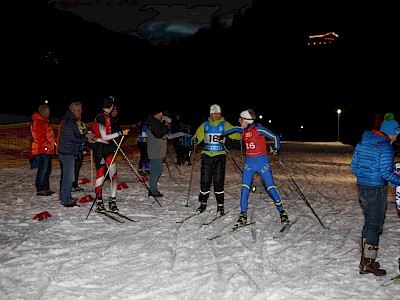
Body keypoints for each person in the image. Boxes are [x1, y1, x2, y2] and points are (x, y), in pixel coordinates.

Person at [219, 109, 290, 228]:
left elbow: (275, 137)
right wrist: (223, 135)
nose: (239, 121)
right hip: (249, 163)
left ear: (246, 120)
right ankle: (243, 215)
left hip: (262, 163)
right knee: (245, 188)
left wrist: (276, 149)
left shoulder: (259, 128)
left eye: (241, 119)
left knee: (271, 188)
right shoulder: (244, 130)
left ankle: (282, 213)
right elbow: (235, 129)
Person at [350, 117, 400, 276]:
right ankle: (369, 263)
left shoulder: (363, 142)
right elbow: (386, 173)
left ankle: (365, 259)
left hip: (363, 187)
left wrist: (365, 177)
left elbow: (353, 167)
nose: (396, 138)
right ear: (391, 133)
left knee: (369, 221)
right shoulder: (385, 147)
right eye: (396, 135)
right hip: (376, 189)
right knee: (375, 224)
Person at [191, 104, 241, 216]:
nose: (216, 115)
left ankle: (220, 205)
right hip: (207, 156)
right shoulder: (205, 125)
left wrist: (242, 133)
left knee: (218, 181)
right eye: (214, 113)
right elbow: (197, 136)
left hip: (219, 156)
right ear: (210, 114)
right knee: (205, 180)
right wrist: (194, 140)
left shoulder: (225, 124)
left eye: (218, 113)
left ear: (220, 113)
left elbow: (236, 134)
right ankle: (203, 203)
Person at [90, 96, 130, 213]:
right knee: (101, 176)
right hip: (100, 150)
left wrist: (118, 134)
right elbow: (104, 136)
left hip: (108, 149)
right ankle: (99, 202)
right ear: (110, 106)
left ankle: (112, 201)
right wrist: (120, 133)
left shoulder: (107, 117)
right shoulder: (101, 117)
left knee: (113, 175)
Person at [58, 102, 96, 207]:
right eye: (79, 110)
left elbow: (75, 135)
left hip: (68, 151)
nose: (81, 112)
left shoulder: (71, 121)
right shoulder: (70, 122)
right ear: (73, 111)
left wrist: (85, 135)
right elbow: (73, 138)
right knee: (69, 177)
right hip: (67, 152)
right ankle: (66, 200)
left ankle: (65, 197)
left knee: (68, 176)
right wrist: (87, 139)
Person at [30, 103, 56, 196]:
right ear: (42, 112)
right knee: (43, 169)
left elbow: (49, 137)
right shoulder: (39, 122)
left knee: (47, 169)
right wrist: (47, 146)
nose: (48, 112)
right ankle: (40, 188)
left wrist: (52, 146)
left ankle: (45, 187)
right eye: (46, 111)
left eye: (48, 110)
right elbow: (40, 137)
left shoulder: (44, 121)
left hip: (46, 149)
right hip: (41, 150)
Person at [147, 109, 171, 197]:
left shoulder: (155, 122)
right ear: (155, 115)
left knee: (157, 170)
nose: (161, 115)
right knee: (156, 171)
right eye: (160, 113)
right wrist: (165, 126)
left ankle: (152, 189)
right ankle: (153, 190)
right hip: (155, 151)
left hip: (157, 150)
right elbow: (159, 134)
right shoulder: (154, 123)